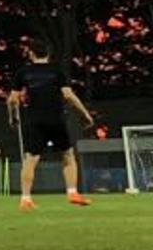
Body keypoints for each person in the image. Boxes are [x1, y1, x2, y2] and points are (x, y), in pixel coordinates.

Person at [7, 40, 96, 211]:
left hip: (34, 120)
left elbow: (12, 99)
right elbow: (68, 95)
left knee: (30, 159)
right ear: (48, 54)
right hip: (56, 118)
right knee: (68, 156)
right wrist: (85, 114)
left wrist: (13, 117)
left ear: (31, 54)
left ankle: (25, 199)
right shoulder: (56, 71)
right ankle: (72, 193)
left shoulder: (23, 72)